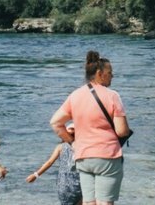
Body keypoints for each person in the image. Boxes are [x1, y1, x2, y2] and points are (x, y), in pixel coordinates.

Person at [49, 50, 132, 205]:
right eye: (110, 72)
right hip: (108, 156)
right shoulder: (113, 95)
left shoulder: (75, 95)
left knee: (88, 202)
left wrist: (72, 143)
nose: (112, 75)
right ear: (100, 73)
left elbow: (55, 123)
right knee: (105, 202)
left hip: (83, 157)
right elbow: (122, 131)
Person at [27, 123, 81, 205]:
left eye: (73, 129)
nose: (72, 131)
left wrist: (35, 175)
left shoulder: (62, 146)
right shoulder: (80, 147)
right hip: (73, 182)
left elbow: (49, 162)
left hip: (68, 182)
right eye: (71, 129)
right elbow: (49, 162)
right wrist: (35, 175)